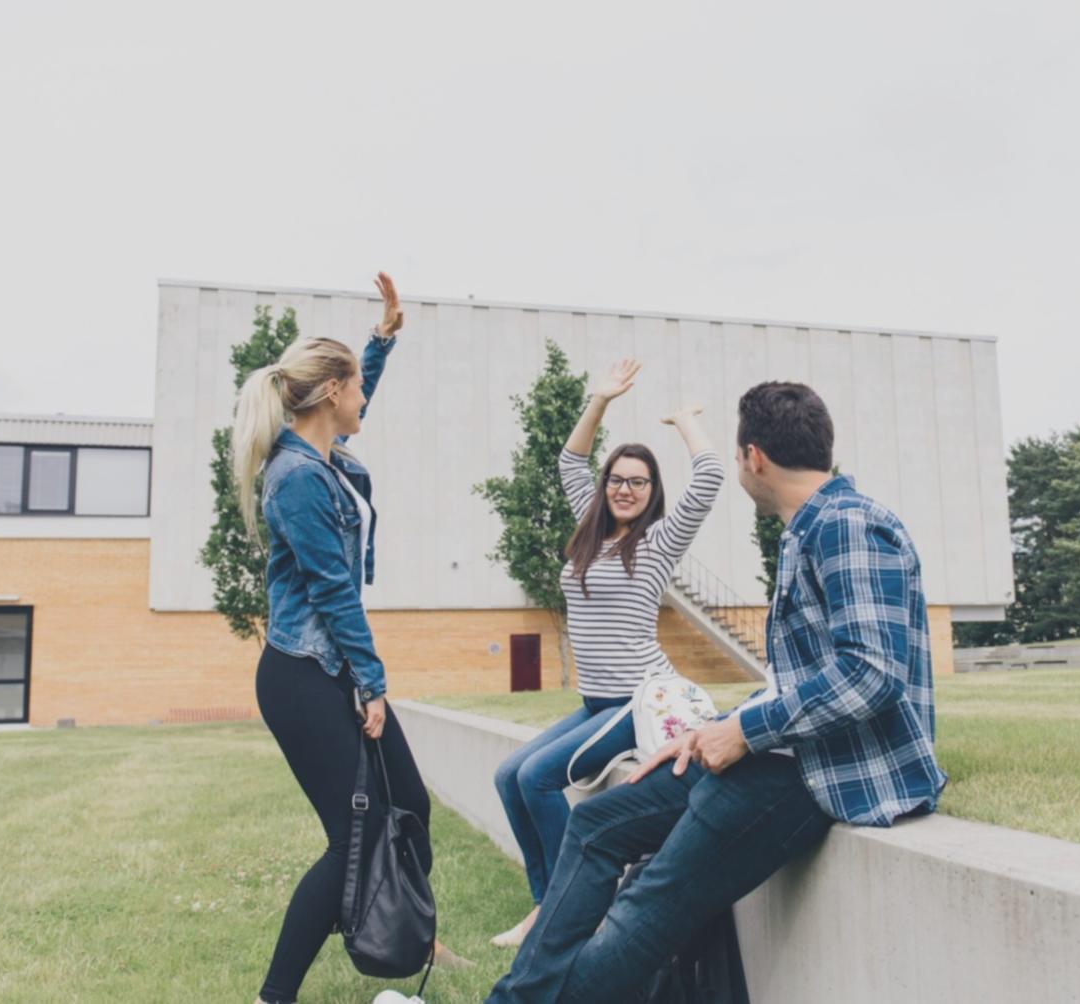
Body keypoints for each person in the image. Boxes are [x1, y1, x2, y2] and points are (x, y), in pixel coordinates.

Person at [485, 381, 948, 1003]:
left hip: (823, 771)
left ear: (753, 457)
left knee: (649, 902)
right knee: (596, 823)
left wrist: (744, 732)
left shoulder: (848, 526)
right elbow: (802, 682)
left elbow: (870, 674)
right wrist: (713, 730)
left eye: (735, 456)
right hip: (786, 751)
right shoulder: (812, 528)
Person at [235, 275, 454, 1004]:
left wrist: (381, 341)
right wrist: (372, 683)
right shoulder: (295, 478)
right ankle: (276, 995)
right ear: (330, 391)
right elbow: (331, 593)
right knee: (351, 839)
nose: (363, 397)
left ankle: (397, 928)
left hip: (326, 667)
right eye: (356, 386)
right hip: (304, 675)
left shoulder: (325, 456)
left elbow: (357, 401)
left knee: (409, 809)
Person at [490, 358, 725, 948]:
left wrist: (685, 420)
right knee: (506, 775)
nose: (625, 488)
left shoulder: (659, 542)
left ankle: (575, 906)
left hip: (634, 699)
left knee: (540, 779)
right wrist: (599, 400)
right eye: (617, 479)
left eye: (637, 481)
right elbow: (570, 460)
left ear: (652, 492)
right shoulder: (590, 532)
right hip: (594, 701)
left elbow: (712, 474)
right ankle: (545, 904)